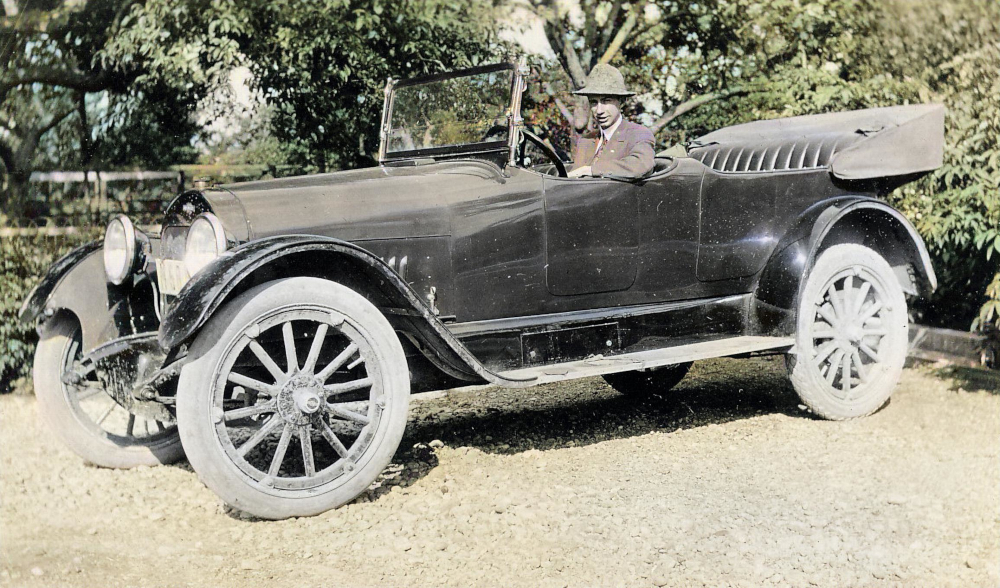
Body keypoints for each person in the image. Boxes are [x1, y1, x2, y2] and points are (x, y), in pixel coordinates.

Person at [567, 64, 655, 179]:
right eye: (594, 102)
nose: (599, 111)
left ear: (621, 101)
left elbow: (640, 165)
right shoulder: (586, 140)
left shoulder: (637, 134)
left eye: (606, 101)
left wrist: (590, 170)